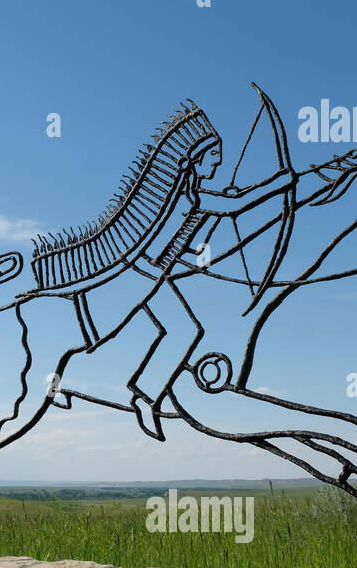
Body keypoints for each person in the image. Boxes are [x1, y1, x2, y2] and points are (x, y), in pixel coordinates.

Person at [125, 133, 291, 440]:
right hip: (143, 275)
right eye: (213, 158)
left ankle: (146, 395)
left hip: (151, 272)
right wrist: (281, 182)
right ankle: (145, 396)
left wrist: (190, 252)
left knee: (185, 331)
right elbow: (234, 204)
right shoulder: (188, 195)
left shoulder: (189, 193)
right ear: (197, 158)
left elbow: (174, 233)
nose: (216, 166)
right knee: (184, 331)